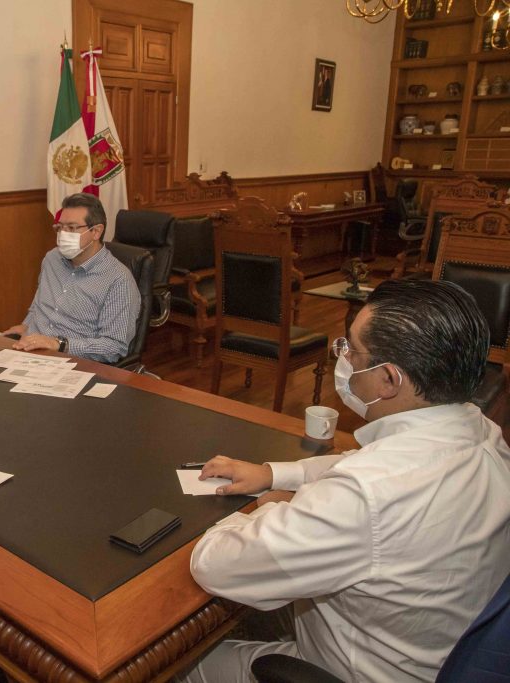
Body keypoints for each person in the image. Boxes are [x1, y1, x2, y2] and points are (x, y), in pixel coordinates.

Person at [182, 278, 510, 682]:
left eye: (351, 350)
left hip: (354, 670)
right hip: (436, 648)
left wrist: (273, 508)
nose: (344, 359)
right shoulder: (480, 431)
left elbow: (215, 565)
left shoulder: (364, 496)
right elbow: (364, 462)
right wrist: (273, 474)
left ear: (389, 379)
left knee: (179, 664)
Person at [4, 193, 140, 363]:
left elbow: (113, 347)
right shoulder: (52, 258)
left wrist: (59, 344)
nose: (62, 234)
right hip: (30, 349)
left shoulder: (118, 280)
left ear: (96, 231)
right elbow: (39, 306)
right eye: (60, 227)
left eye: (71, 228)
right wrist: (26, 326)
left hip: (71, 362)